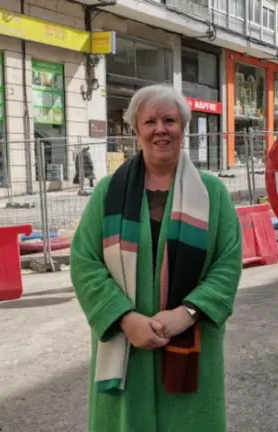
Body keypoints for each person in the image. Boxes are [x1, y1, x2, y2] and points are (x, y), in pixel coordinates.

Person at [70, 83, 243, 432]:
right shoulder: (108, 193)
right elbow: (84, 262)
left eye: (170, 120)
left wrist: (188, 312)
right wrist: (124, 319)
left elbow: (228, 262)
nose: (160, 130)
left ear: (184, 127)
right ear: (137, 130)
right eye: (150, 122)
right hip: (125, 344)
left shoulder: (212, 194)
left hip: (191, 343)